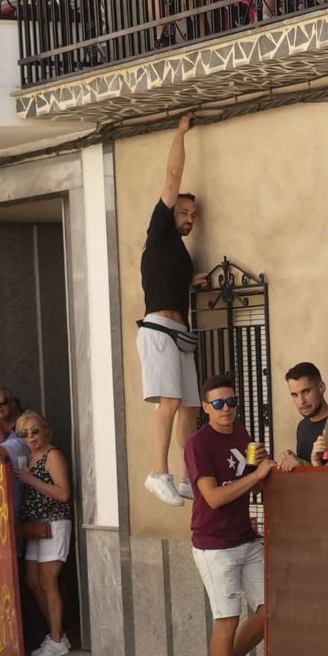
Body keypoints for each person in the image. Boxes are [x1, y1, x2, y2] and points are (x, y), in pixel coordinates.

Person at [186, 374, 275, 656]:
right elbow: (213, 496)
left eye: (232, 402)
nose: (227, 409)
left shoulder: (241, 435)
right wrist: (255, 475)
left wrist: (261, 467)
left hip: (246, 538)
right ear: (206, 408)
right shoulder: (198, 444)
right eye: (219, 403)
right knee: (227, 618)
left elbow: (248, 488)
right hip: (214, 544)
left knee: (271, 609)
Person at [136, 113, 209, 507]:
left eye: (193, 216)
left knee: (192, 406)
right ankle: (157, 473)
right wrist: (180, 132)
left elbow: (168, 281)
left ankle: (187, 476)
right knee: (169, 402)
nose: (189, 218)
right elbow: (172, 175)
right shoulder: (159, 231)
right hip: (159, 331)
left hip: (179, 335)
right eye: (184, 212)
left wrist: (191, 282)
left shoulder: (176, 254)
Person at [13, 411, 75, 656]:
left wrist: (30, 479)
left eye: (35, 430)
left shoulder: (53, 455)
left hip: (54, 522)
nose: (31, 437)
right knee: (32, 580)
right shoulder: (28, 456)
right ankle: (56, 634)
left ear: (45, 429)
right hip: (34, 526)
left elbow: (63, 494)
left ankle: (58, 640)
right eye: (23, 433)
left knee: (48, 581)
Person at [276, 362, 328, 470]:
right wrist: (294, 459)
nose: (301, 401)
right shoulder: (302, 426)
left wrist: (303, 465)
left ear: (321, 387)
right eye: (295, 395)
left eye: (306, 392)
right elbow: (307, 471)